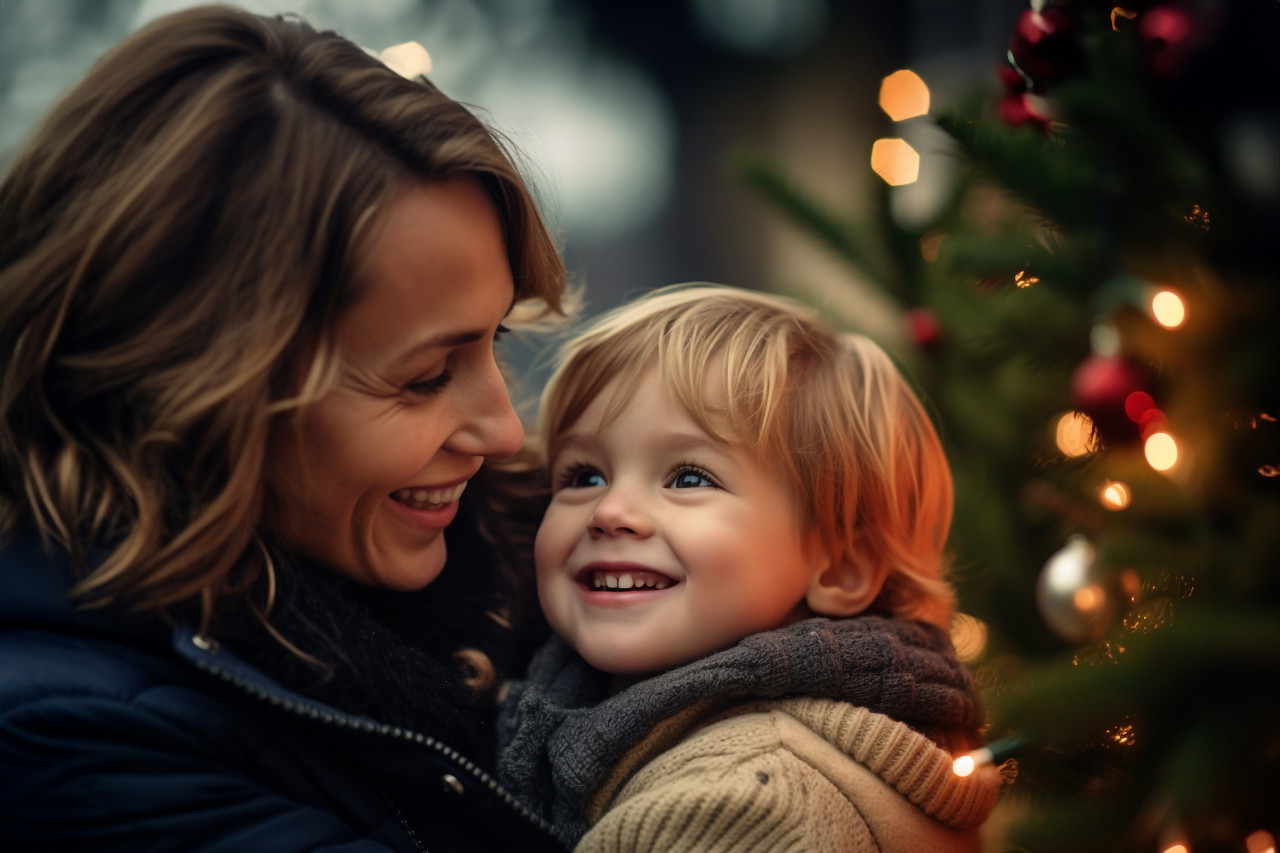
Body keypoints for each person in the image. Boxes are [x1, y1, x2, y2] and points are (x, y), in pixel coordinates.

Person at [0, 6, 572, 851]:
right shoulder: (69, 738)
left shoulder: (546, 560)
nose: (498, 429)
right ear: (191, 387)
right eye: (423, 378)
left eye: (498, 340)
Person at [498, 284, 1009, 851]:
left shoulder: (741, 808)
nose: (609, 511)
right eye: (584, 475)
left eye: (689, 478)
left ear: (840, 568)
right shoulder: (570, 705)